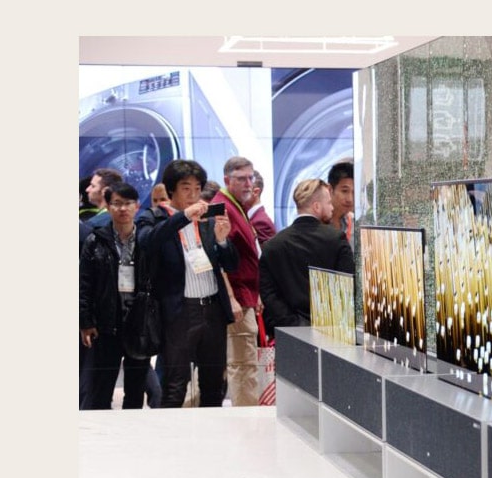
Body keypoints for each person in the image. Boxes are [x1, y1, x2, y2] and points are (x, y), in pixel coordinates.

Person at [141, 159, 239, 409]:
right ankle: (171, 443)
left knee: (213, 384)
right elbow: (148, 242)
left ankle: (212, 440)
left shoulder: (206, 221)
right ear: (171, 189)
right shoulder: (154, 217)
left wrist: (223, 241)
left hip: (212, 309)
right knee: (175, 384)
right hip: (178, 311)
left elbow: (230, 265)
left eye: (198, 188)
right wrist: (183, 217)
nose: (193, 194)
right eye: (186, 188)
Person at [79, 183, 151, 409]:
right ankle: (101, 439)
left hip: (138, 322)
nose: (123, 209)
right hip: (106, 324)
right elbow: (84, 284)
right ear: (108, 207)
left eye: (128, 203)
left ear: (137, 207)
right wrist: (85, 321)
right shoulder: (95, 240)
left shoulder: (145, 240)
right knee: (101, 388)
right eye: (117, 203)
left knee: (136, 390)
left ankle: (132, 438)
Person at [259, 178, 354, 340]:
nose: (332, 208)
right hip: (331, 332)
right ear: (316, 206)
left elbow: (269, 293)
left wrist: (291, 323)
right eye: (329, 203)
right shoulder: (335, 239)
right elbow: (348, 285)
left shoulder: (272, 246)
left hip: (289, 333)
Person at [212, 156, 264, 407]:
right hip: (238, 299)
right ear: (226, 180)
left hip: (246, 296)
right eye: (241, 179)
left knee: (244, 362)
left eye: (250, 178)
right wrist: (232, 298)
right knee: (243, 364)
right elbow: (218, 260)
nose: (247, 184)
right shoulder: (223, 207)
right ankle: (248, 421)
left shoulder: (235, 205)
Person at [246, 170, 277, 248]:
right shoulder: (254, 217)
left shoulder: (261, 221)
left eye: (244, 191)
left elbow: (266, 256)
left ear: (255, 192)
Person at [327, 159, 354, 241]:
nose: (350, 199)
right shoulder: (316, 224)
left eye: (354, 192)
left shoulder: (355, 224)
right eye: (344, 191)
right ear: (330, 189)